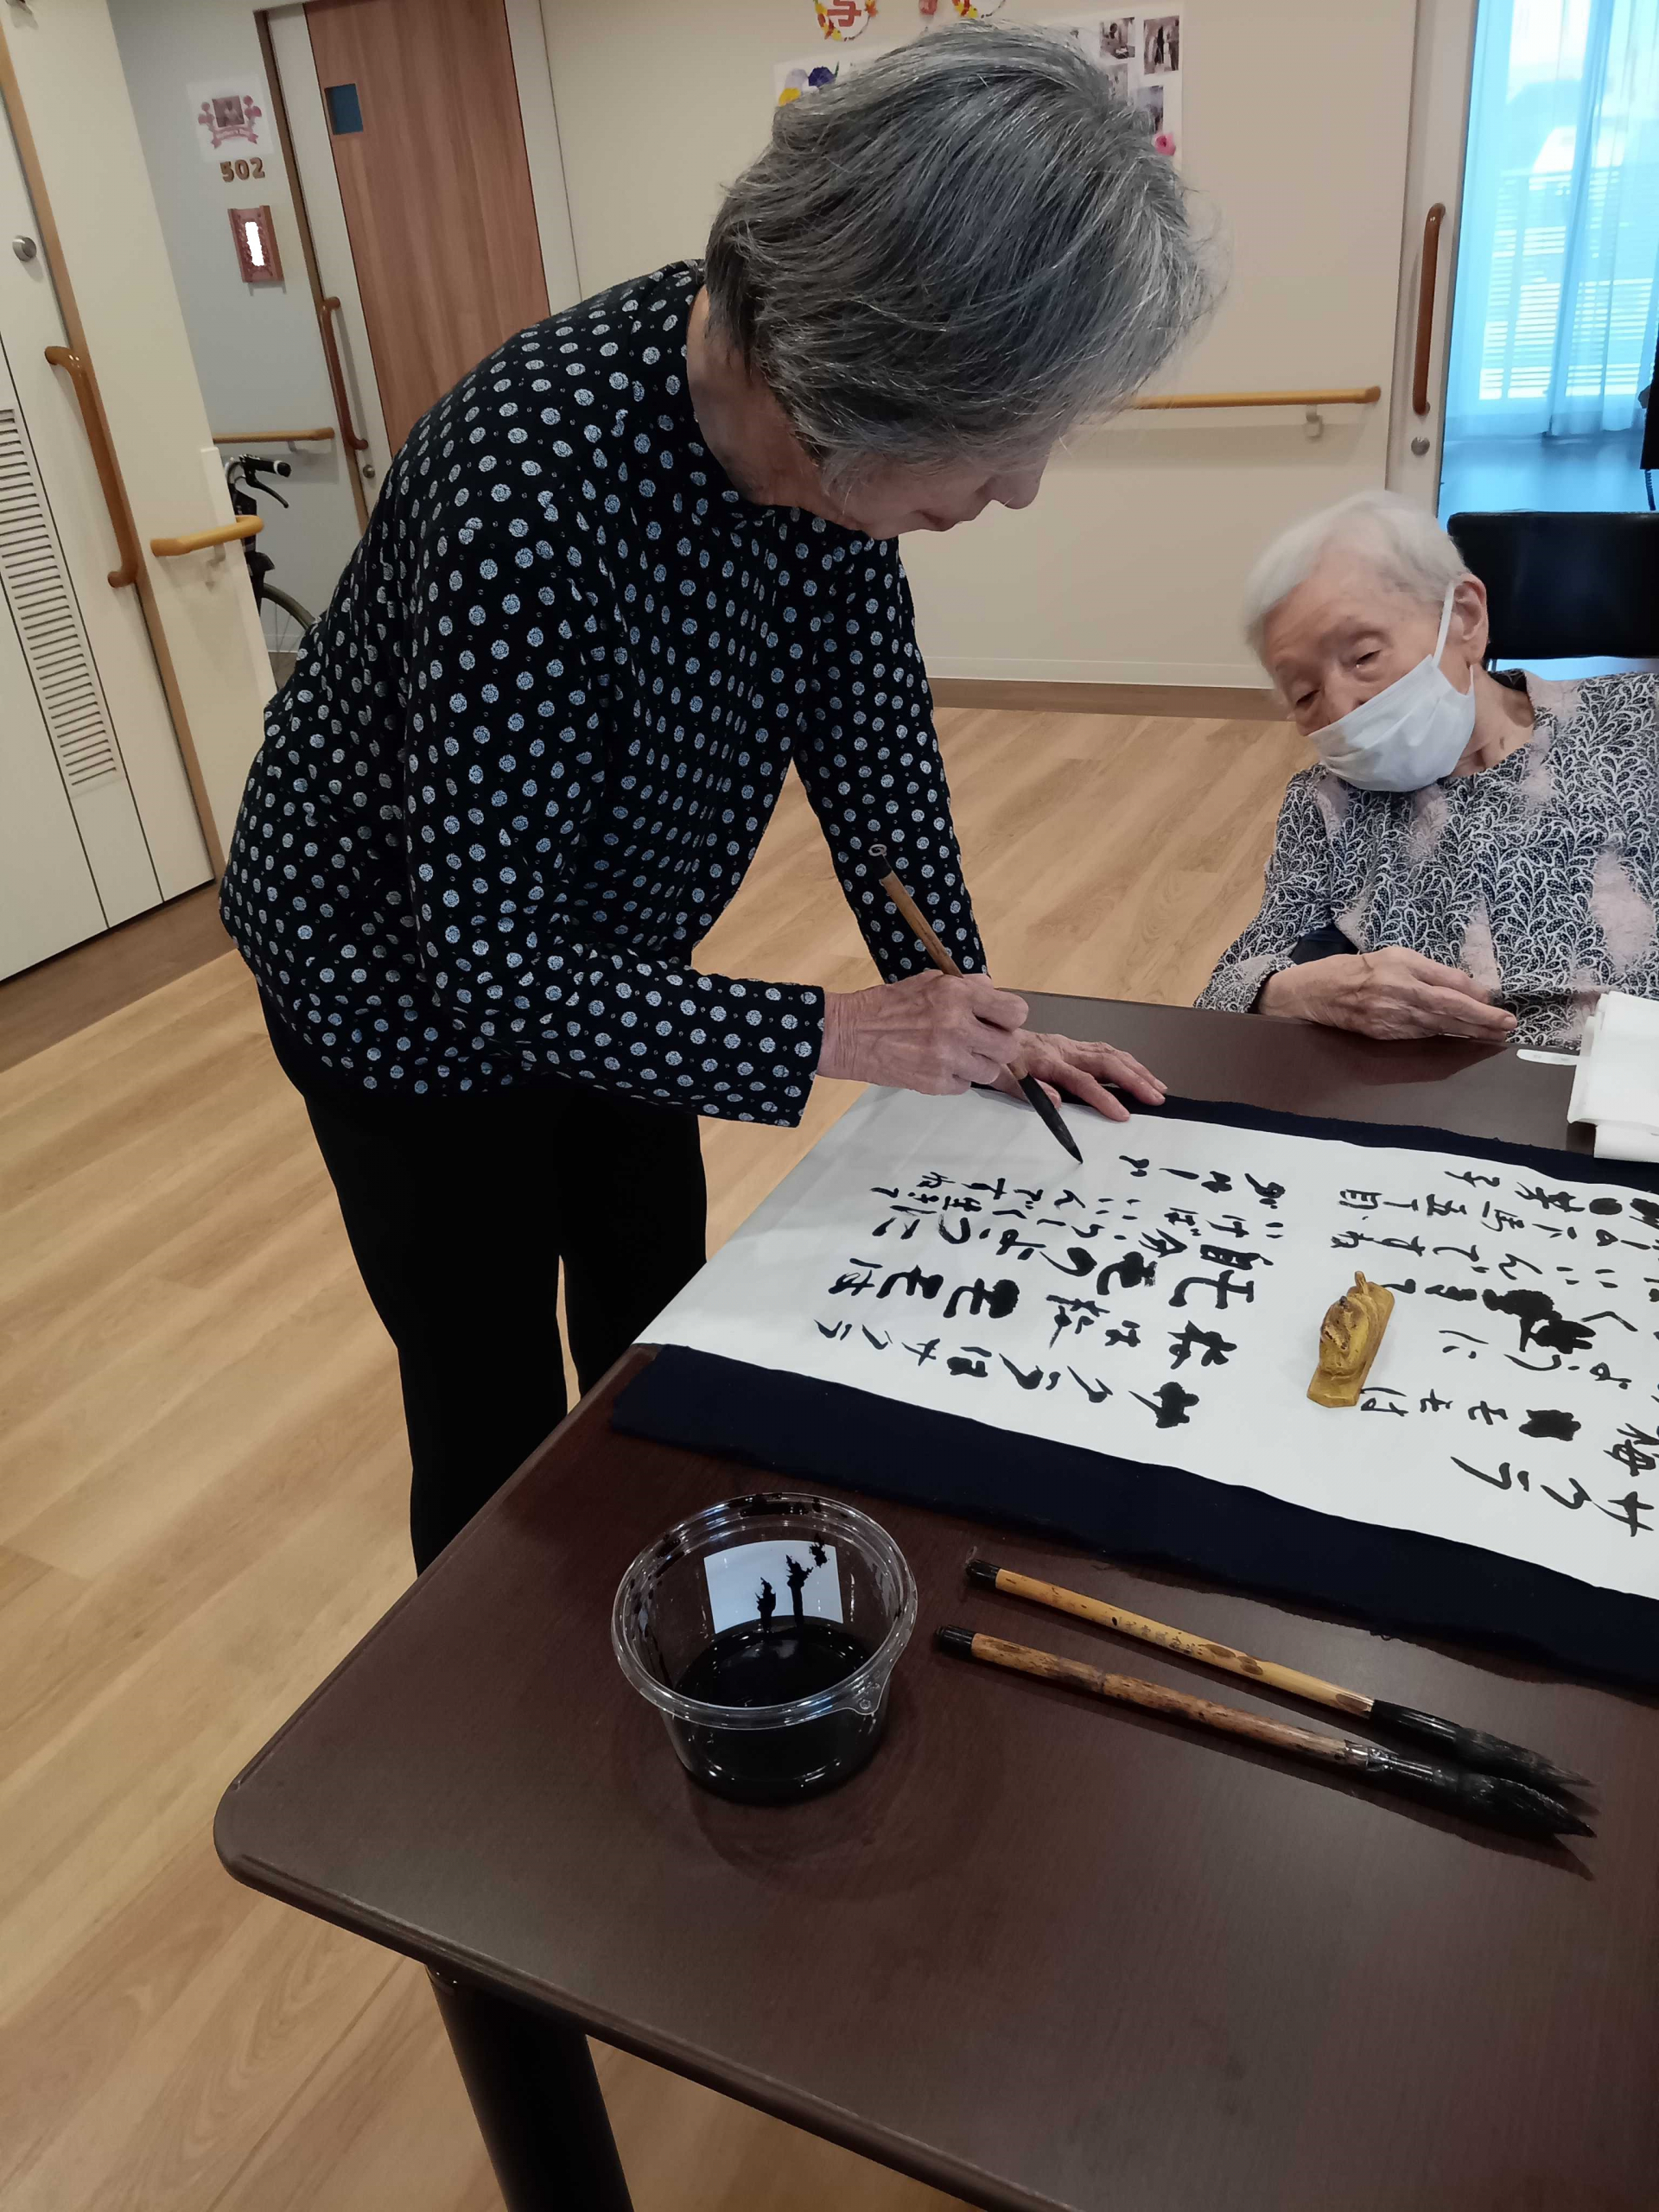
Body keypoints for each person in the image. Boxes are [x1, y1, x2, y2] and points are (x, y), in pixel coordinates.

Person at [220, 26, 1211, 1570]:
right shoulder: (528, 494)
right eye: (1002, 441)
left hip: (610, 952)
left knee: (655, 1315)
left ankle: (676, 1604)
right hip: (398, 986)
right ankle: (507, 1672)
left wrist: (965, 1006)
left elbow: (872, 744)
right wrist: (833, 1034)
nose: (1018, 490)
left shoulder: (822, 456)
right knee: (486, 1393)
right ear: (861, 382)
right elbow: (487, 965)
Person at [1198, 491, 1659, 1049]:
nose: (1341, 708)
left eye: (1364, 656)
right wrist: (1299, 992)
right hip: (1441, 1087)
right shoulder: (1327, 803)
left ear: (1464, 617)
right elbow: (1224, 996)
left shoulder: (1641, 720)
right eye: (1305, 694)